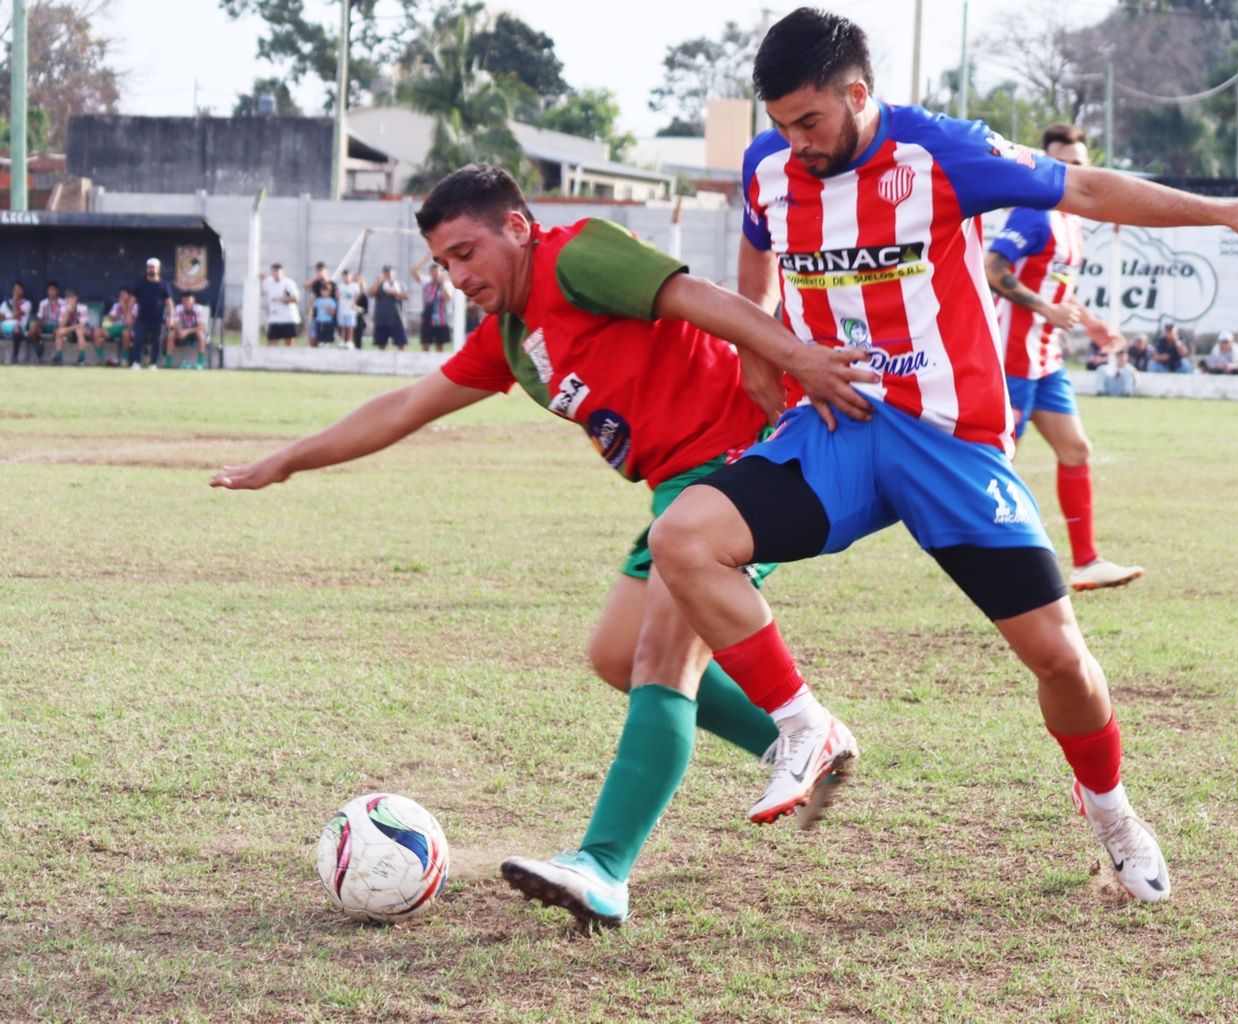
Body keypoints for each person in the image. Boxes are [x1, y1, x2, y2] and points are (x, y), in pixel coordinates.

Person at [645, 7, 1238, 909]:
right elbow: (756, 269)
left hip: (950, 441)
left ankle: (1114, 813)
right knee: (684, 538)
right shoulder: (770, 164)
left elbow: (1086, 191)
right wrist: (759, 346)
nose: (794, 143)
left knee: (1062, 660)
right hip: (838, 429)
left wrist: (1223, 210)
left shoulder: (940, 152)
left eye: (809, 121)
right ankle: (805, 726)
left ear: (858, 94)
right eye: (779, 124)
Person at [213, 164, 875, 932]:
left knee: (663, 658)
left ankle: (604, 866)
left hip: (739, 462)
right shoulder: (513, 340)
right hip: (676, 486)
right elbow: (406, 405)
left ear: (518, 228)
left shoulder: (577, 256)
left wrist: (792, 359)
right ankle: (793, 740)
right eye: (443, 263)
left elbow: (700, 300)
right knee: (614, 655)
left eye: (467, 252)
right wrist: (288, 460)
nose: (457, 276)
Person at [985, 121, 1140, 592]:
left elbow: (1059, 287)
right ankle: (992, 563)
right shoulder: (1033, 213)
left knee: (1076, 449)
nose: (1072, 173)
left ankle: (1086, 562)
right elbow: (993, 268)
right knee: (993, 464)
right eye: (1062, 165)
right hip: (1011, 358)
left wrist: (1089, 324)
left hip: (1046, 359)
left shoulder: (1073, 223)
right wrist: (1046, 308)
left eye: (1079, 165)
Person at [131, 257, 176, 371]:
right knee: (138, 340)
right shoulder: (140, 284)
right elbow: (132, 300)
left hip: (158, 319)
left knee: (156, 341)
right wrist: (128, 314)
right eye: (149, 267)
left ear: (158, 269)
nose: (151, 269)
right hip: (142, 318)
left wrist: (171, 317)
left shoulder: (164, 285)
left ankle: (153, 364)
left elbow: (169, 303)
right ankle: (136, 362)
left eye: (153, 267)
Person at [413, 261, 454, 352]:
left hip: (440, 320)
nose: (435, 274)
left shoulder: (446, 284)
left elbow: (447, 298)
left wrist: (441, 284)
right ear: (430, 273)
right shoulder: (426, 283)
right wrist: (425, 258)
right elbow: (413, 271)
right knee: (425, 344)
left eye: (437, 272)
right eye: (433, 272)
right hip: (427, 319)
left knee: (440, 345)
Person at [262, 263, 301, 347]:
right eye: (274, 271)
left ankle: (289, 359)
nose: (276, 273)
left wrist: (282, 298)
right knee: (272, 342)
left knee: (289, 343)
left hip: (288, 318)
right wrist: (260, 279)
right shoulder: (268, 282)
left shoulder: (289, 283)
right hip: (274, 317)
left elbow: (296, 299)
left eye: (278, 271)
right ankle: (270, 359)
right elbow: (262, 291)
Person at [369, 266, 408, 350]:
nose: (388, 275)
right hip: (382, 319)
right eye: (386, 273)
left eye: (390, 273)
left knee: (401, 343)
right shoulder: (380, 285)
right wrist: (376, 282)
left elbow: (406, 296)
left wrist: (394, 293)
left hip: (397, 318)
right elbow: (371, 294)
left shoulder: (399, 284)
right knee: (381, 344)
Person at [53, 289, 94, 365]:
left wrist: (68, 329)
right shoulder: (63, 308)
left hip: (83, 331)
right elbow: (61, 325)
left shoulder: (82, 307)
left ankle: (81, 358)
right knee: (59, 331)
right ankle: (59, 357)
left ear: (76, 298)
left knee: (79, 330)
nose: (70, 300)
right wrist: (67, 312)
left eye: (72, 297)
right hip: (70, 331)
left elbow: (82, 325)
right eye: (68, 297)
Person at [168, 293, 209, 369]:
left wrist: (187, 331)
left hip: (194, 333)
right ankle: (168, 361)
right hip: (181, 333)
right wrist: (179, 331)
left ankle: (200, 362)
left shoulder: (198, 309)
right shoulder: (178, 308)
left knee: (201, 334)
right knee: (171, 333)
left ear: (193, 301)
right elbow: (175, 324)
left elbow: (201, 327)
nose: (186, 302)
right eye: (184, 300)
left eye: (188, 300)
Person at [100, 287, 135, 365]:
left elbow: (129, 322)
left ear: (129, 296)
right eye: (120, 295)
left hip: (130, 330)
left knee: (125, 332)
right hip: (116, 328)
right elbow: (110, 318)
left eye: (123, 294)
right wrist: (117, 315)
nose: (121, 296)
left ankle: (124, 359)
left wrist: (124, 307)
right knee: (96, 332)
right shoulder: (116, 305)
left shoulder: (135, 306)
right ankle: (100, 359)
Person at [2, 280, 33, 365]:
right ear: (12, 290)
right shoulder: (6, 303)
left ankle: (14, 355)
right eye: (15, 289)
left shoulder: (27, 303)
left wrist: (15, 301)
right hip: (4, 325)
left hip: (19, 326)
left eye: (19, 289)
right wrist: (11, 317)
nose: (17, 291)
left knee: (16, 328)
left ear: (23, 291)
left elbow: (17, 313)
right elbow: (1, 317)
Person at [33, 281, 65, 365]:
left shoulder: (63, 302)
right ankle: (38, 351)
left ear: (57, 291)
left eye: (53, 290)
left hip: (57, 325)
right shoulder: (43, 303)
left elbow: (64, 319)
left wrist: (58, 326)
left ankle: (58, 357)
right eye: (49, 290)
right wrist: (39, 326)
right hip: (45, 325)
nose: (51, 292)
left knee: (58, 331)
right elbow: (40, 318)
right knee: (33, 331)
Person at [303, 262, 333, 344]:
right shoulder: (315, 283)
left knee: (325, 334)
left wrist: (324, 277)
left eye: (321, 270)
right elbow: (305, 285)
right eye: (317, 271)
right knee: (313, 333)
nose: (319, 273)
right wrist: (316, 278)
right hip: (316, 311)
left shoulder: (330, 283)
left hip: (327, 313)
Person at [336, 269, 362, 348]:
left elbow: (357, 295)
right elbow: (338, 296)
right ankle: (343, 340)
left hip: (351, 310)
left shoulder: (354, 286)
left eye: (348, 276)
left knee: (350, 327)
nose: (346, 278)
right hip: (342, 309)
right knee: (343, 326)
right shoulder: (340, 286)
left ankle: (350, 341)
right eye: (345, 276)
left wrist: (353, 301)